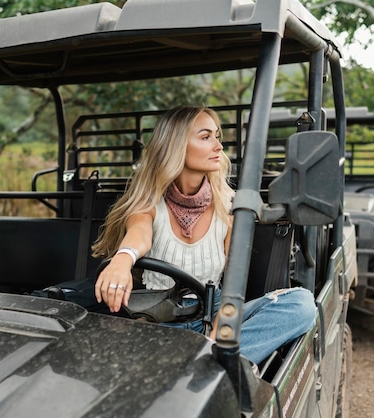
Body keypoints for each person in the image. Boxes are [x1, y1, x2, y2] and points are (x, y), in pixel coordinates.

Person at [92, 106, 316, 365]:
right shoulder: (148, 203)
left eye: (217, 136)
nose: (219, 146)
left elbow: (235, 276)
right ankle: (213, 368)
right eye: (206, 136)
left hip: (216, 311)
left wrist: (217, 334)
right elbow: (138, 235)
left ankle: (209, 363)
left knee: (301, 304)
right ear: (175, 145)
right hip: (159, 321)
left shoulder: (231, 204)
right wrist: (122, 260)